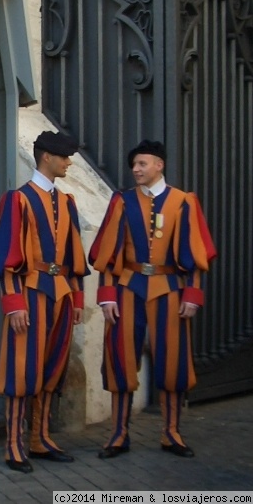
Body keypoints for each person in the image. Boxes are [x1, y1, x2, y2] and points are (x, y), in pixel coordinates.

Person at [89, 139, 216, 459]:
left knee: (173, 361)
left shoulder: (184, 202)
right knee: (121, 358)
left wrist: (193, 294)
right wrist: (106, 296)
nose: (136, 169)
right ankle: (119, 433)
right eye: (134, 164)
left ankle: (171, 432)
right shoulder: (122, 201)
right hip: (128, 288)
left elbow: (197, 255)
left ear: (159, 165)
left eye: (142, 164)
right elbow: (108, 254)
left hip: (169, 288)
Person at [0, 130, 90, 473]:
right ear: (47, 156)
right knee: (21, 370)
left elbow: (75, 256)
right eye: (64, 157)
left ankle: (39, 439)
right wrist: (13, 302)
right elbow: (5, 256)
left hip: (60, 293)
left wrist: (77, 299)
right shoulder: (18, 200)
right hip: (29, 293)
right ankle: (14, 444)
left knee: (51, 369)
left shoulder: (68, 202)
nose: (68, 162)